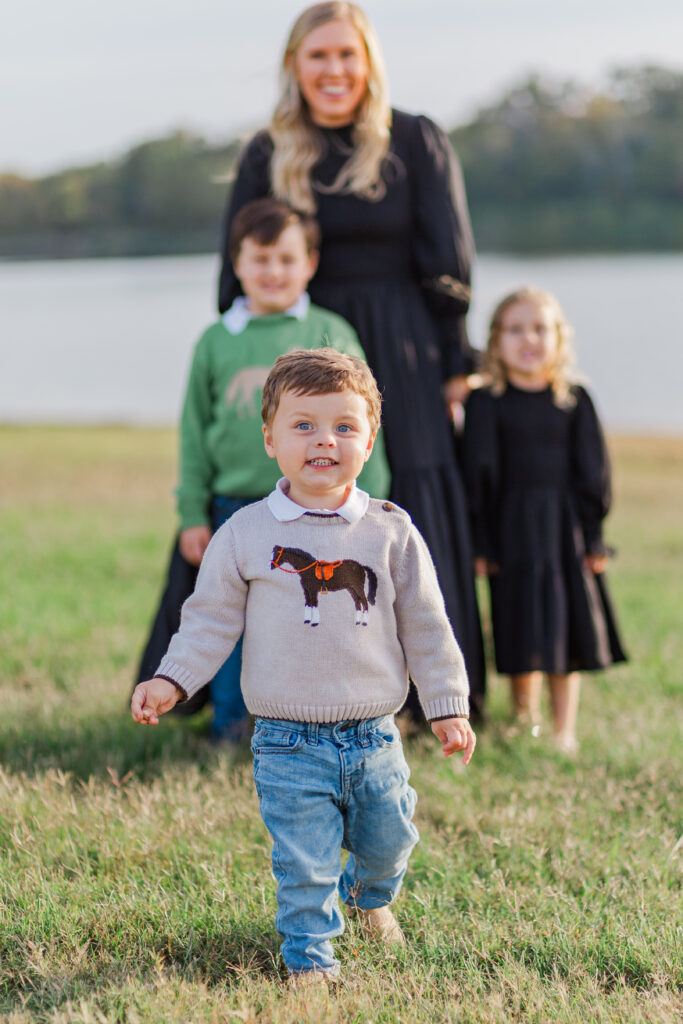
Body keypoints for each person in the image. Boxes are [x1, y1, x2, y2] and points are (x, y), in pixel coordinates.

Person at [131, 348, 476, 985]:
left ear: (369, 440)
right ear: (270, 439)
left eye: (344, 426)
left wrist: (447, 704)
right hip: (287, 741)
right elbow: (209, 620)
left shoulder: (391, 531)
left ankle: (367, 897)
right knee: (305, 862)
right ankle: (311, 962)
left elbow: (427, 627)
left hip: (375, 736)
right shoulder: (246, 532)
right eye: (303, 425)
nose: (324, 440)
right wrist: (171, 678)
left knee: (391, 844)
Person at [216, 2, 486, 720]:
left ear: (368, 63)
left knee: (407, 505)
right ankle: (272, 696)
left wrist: (455, 365)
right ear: (294, 66)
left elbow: (449, 262)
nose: (333, 70)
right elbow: (234, 269)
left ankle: (434, 699)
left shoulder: (415, 139)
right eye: (318, 55)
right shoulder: (266, 152)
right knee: (295, 499)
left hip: (404, 348)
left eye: (347, 55)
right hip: (305, 348)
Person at [135, 198, 390, 742]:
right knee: (230, 618)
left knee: (311, 616)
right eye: (261, 258)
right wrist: (192, 513)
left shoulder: (331, 331)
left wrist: (370, 501)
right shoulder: (216, 341)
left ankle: (324, 722)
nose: (274, 271)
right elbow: (193, 432)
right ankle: (231, 727)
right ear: (238, 263)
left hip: (319, 505)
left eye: (287, 259)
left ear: (311, 263)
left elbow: (365, 422)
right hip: (233, 507)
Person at [462, 288, 627, 754]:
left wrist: (594, 537)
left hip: (564, 530)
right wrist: (482, 541)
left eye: (540, 329)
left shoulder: (574, 399)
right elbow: (477, 476)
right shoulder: (486, 402)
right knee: (518, 621)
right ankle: (524, 717)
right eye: (515, 329)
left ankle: (563, 730)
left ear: (560, 338)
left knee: (565, 624)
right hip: (511, 529)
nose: (528, 339)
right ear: (496, 340)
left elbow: (594, 472)